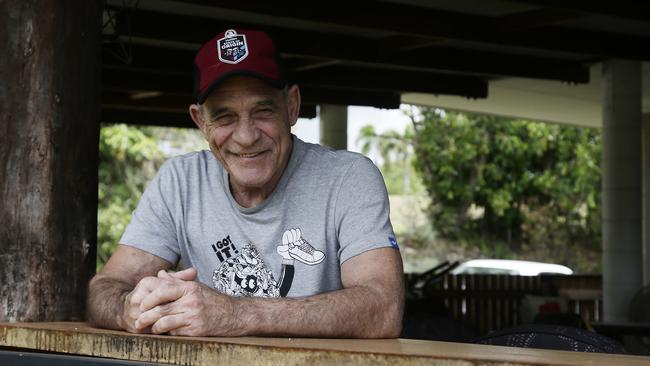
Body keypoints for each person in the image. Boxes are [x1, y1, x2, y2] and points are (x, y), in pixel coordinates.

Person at [87, 28, 404, 338]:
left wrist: (234, 313)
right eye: (225, 117)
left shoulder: (348, 179)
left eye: (263, 111)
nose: (246, 136)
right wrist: (128, 308)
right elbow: (104, 288)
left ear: (291, 106)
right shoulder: (180, 182)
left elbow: (384, 308)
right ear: (200, 121)